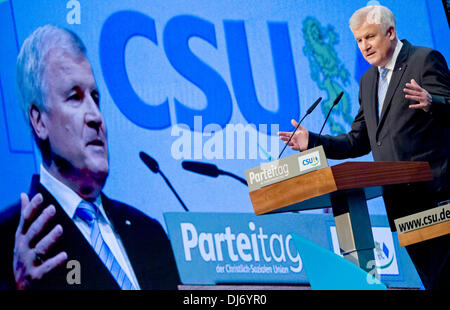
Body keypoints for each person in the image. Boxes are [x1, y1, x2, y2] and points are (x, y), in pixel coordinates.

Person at [279, 5, 449, 289]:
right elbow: (359, 140)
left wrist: (433, 103)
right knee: (432, 281)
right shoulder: (368, 80)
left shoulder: (424, 60)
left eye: (369, 37)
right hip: (402, 204)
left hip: (436, 196)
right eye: (358, 40)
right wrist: (313, 142)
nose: (364, 46)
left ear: (390, 33)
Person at [0, 25, 180, 290]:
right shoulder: (10, 241)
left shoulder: (149, 233)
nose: (96, 116)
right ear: (39, 122)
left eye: (96, 98)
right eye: (75, 98)